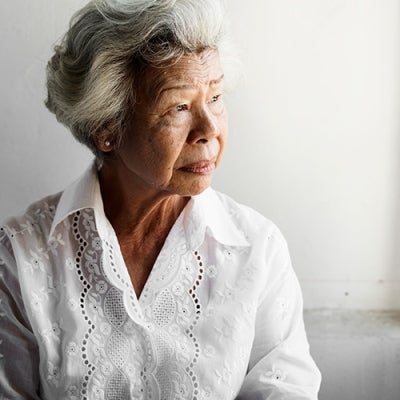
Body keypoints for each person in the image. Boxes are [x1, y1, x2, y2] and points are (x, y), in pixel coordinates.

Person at [0, 0, 321, 399]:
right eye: (180, 106)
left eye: (216, 97)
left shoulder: (257, 250)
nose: (209, 129)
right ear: (107, 128)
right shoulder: (20, 257)